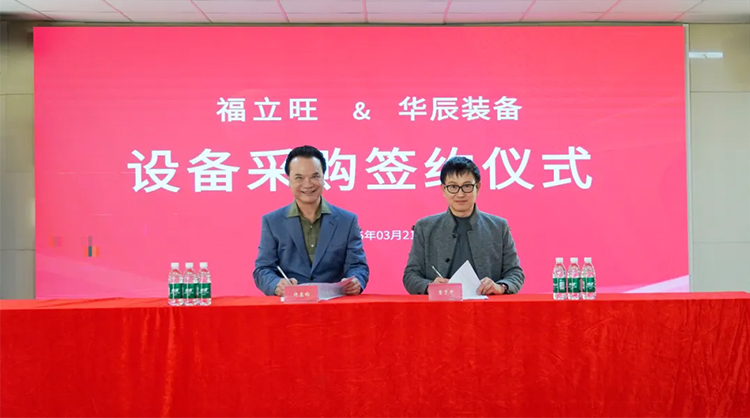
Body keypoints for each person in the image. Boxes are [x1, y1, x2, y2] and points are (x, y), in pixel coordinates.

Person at [253, 145, 369, 297]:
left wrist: (356, 281)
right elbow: (263, 269)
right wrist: (276, 284)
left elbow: (358, 266)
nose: (307, 184)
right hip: (290, 304)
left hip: (335, 304)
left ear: (323, 178)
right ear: (289, 180)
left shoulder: (347, 221)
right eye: (299, 177)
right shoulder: (272, 221)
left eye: (315, 176)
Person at [403, 156, 524, 295]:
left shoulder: (498, 227)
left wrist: (501, 286)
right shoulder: (425, 227)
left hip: (488, 306)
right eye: (453, 187)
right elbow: (410, 276)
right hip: (439, 305)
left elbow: (515, 273)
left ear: (477, 188)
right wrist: (429, 286)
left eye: (467, 186)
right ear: (443, 189)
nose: (460, 194)